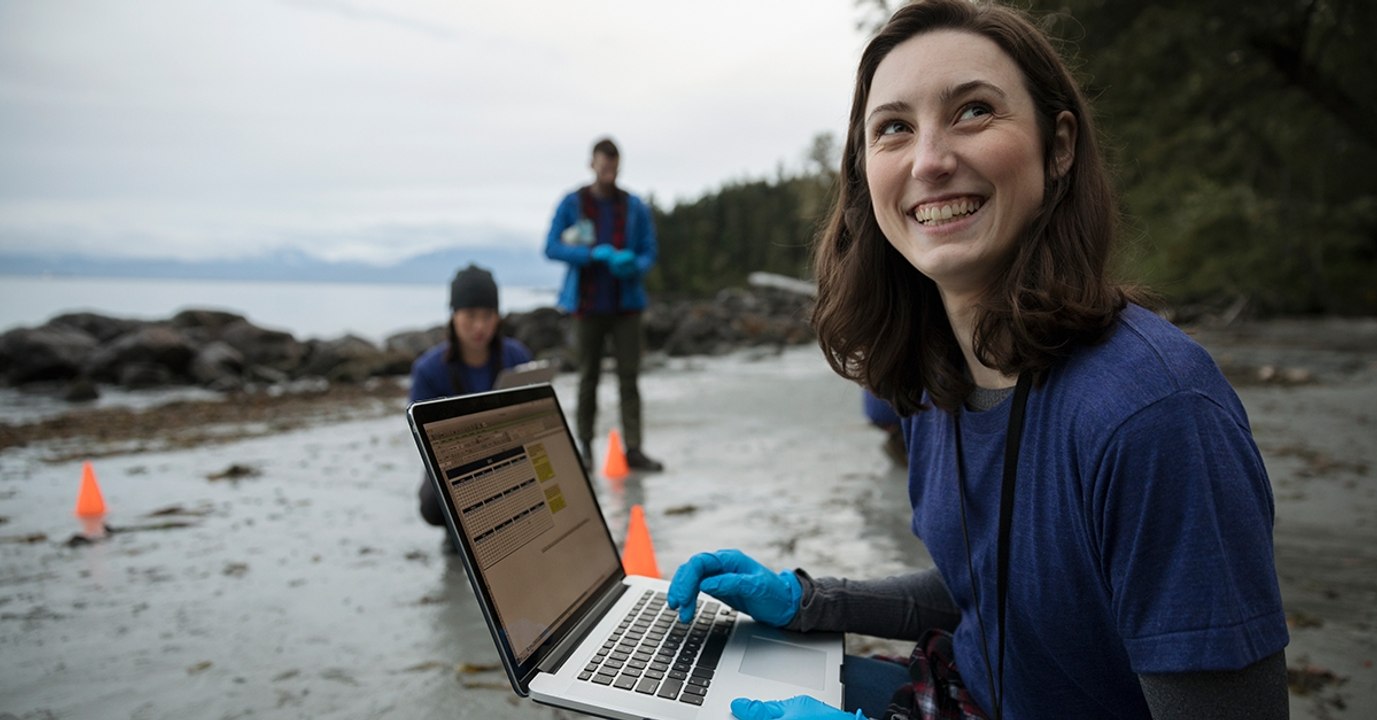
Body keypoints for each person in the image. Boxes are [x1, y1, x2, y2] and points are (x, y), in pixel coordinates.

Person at [665, 2, 1289, 719]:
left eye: (973, 111)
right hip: (956, 694)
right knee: (685, 686)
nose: (929, 161)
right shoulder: (935, 379)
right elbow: (994, 593)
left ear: (1058, 147)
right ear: (865, 172)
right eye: (893, 127)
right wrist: (808, 600)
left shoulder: (1154, 416)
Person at [544, 137, 665, 472]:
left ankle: (634, 449)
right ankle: (584, 448)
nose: (608, 170)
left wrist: (634, 265)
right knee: (588, 379)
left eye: (613, 165)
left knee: (629, 378)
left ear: (618, 165)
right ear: (592, 164)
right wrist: (589, 254)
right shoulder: (573, 203)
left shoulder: (635, 206)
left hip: (626, 306)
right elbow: (551, 247)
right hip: (587, 305)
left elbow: (649, 252)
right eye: (603, 164)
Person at [410, 264, 533, 535]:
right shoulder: (428, 369)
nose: (480, 326)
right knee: (432, 505)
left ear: (497, 317)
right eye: (470, 315)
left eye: (488, 316)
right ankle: (456, 532)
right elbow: (425, 441)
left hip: (509, 453)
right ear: (454, 315)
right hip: (455, 464)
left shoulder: (517, 357)